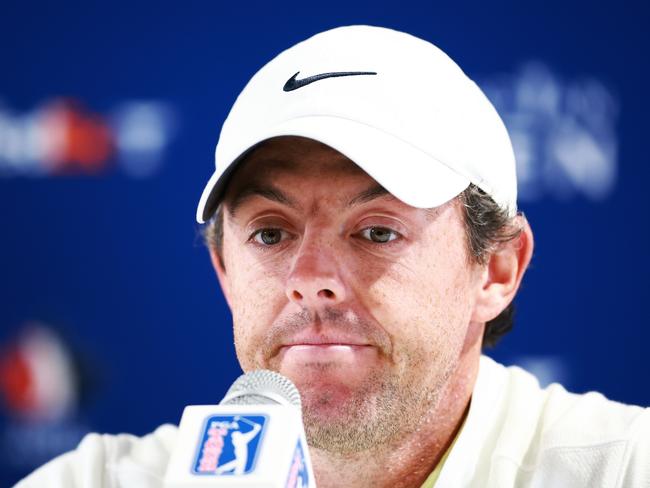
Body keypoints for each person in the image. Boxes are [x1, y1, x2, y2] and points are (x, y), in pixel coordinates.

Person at [15, 25, 649, 488]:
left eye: (376, 232)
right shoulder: (93, 483)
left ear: (497, 269)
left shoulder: (623, 469)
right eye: (270, 233)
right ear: (225, 273)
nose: (311, 280)